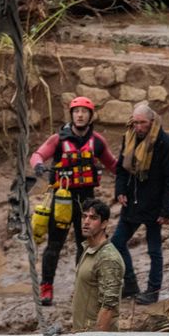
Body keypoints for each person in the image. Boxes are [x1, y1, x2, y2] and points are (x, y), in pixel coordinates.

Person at [29, 96, 118, 306]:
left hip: (86, 202)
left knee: (84, 245)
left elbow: (113, 165)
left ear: (90, 116)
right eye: (76, 111)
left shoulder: (97, 141)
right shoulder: (58, 139)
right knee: (54, 245)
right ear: (71, 115)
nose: (80, 115)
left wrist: (129, 178)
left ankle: (81, 286)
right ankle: (46, 288)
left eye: (84, 112)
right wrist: (39, 166)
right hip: (62, 199)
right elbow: (37, 155)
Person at [112, 102, 169, 304]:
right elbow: (121, 169)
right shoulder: (129, 138)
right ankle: (131, 283)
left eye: (142, 123)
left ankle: (153, 291)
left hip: (154, 205)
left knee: (154, 250)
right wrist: (120, 191)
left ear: (151, 122)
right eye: (135, 123)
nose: (138, 127)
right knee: (116, 243)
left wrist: (166, 210)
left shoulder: (166, 143)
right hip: (132, 202)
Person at [72, 199, 125, 332]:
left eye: (93, 218)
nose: (86, 221)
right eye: (84, 216)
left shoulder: (108, 258)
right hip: (81, 335)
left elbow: (109, 306)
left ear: (104, 224)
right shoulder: (88, 249)